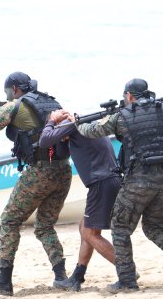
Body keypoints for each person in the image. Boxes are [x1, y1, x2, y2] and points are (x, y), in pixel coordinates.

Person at [76, 78, 163, 293]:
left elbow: (92, 132)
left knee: (119, 228)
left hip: (138, 180)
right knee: (156, 227)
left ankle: (127, 281)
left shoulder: (122, 116)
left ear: (128, 96)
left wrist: (76, 122)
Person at [0, 72, 72, 296]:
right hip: (63, 170)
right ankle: (61, 278)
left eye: (7, 92)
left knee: (9, 221)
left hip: (40, 172)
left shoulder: (13, 107)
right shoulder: (52, 102)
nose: (8, 96)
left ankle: (4, 280)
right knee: (45, 226)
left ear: (16, 89)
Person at [38, 109, 123, 291]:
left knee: (90, 234)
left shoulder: (71, 126)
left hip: (101, 183)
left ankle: (126, 271)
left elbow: (45, 141)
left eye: (59, 132)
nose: (60, 137)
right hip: (109, 180)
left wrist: (52, 121)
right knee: (85, 227)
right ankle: (77, 276)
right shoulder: (85, 125)